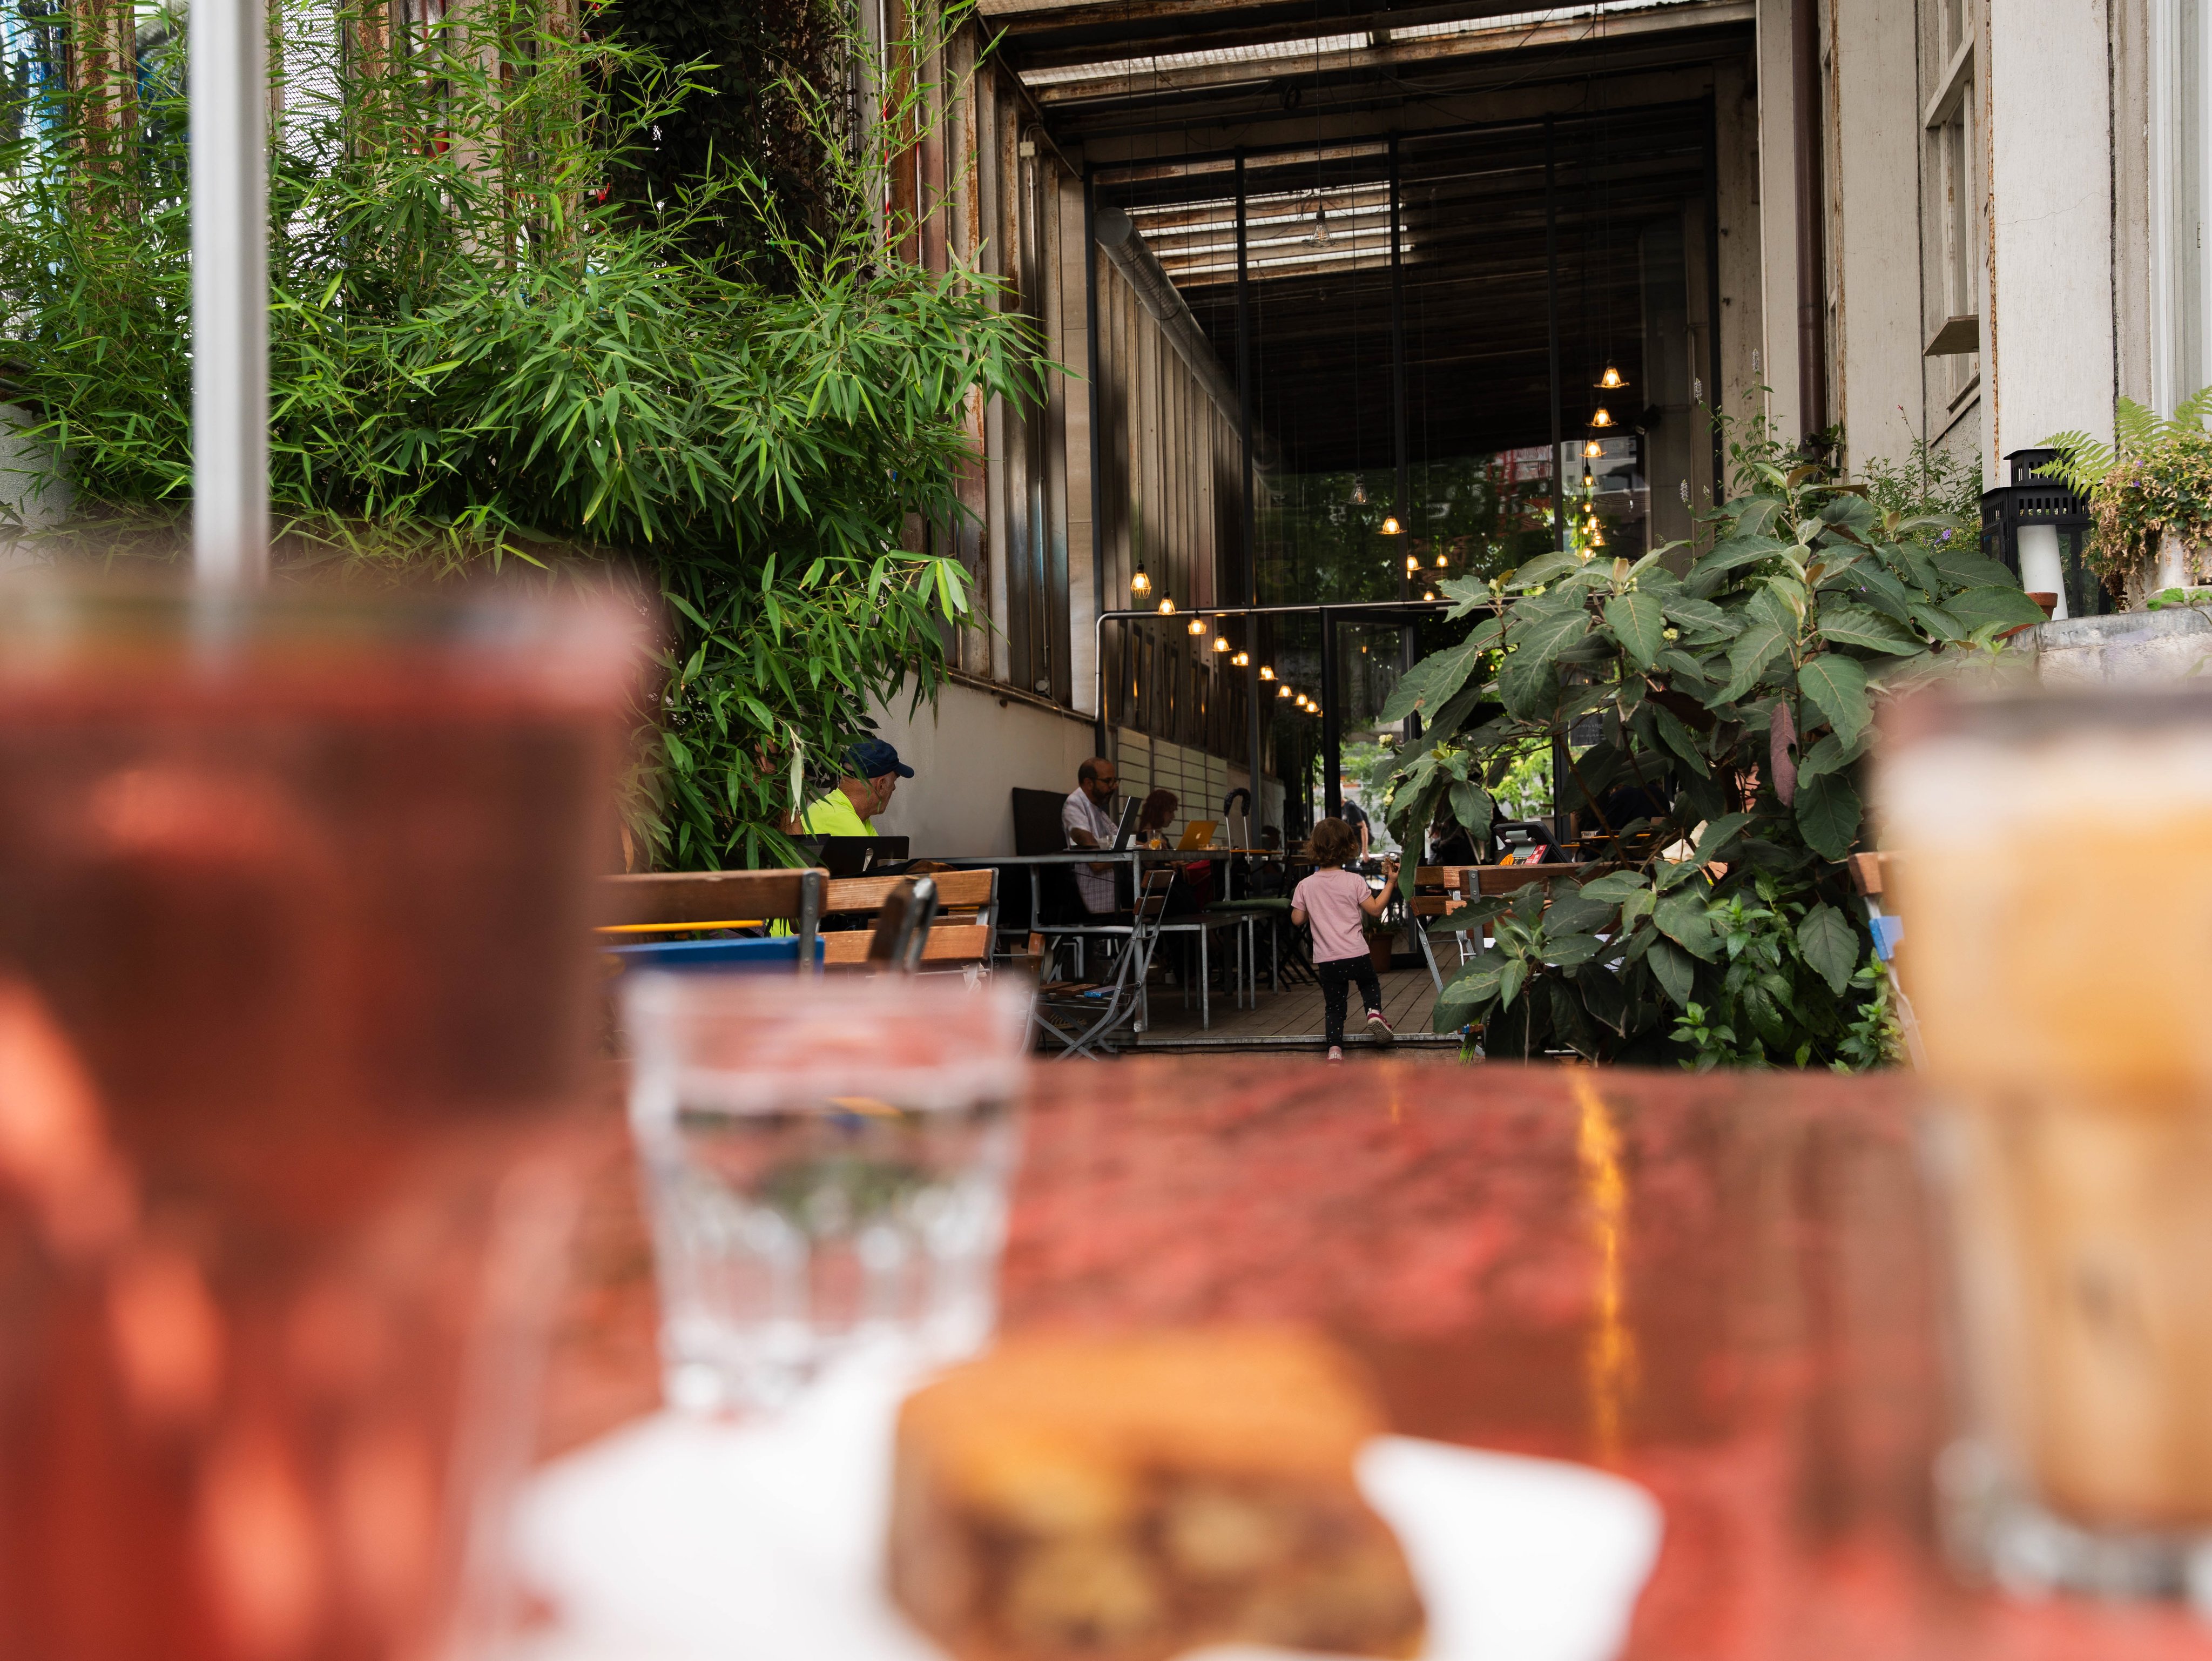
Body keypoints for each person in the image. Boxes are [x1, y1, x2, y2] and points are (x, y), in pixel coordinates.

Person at [1292, 816, 1397, 1062]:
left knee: (1334, 1007)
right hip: (1356, 953)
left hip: (1328, 960)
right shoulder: (1354, 881)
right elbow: (1375, 910)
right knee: (1368, 984)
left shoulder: (1306, 886)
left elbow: (1297, 919)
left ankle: (1335, 1051)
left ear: (1314, 848)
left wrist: (1311, 906)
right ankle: (1373, 1012)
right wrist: (1391, 882)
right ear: (1349, 847)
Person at [800, 737, 913, 836]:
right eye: (894, 781)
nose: (893, 788)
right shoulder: (840, 818)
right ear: (881, 785)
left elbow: (883, 855)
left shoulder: (854, 815)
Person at [1062, 757, 1123, 917]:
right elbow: (1097, 862)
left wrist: (1148, 846)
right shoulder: (1074, 805)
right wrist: (1129, 858)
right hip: (1091, 905)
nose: (1114, 787)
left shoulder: (1097, 810)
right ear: (1089, 783)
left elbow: (1120, 838)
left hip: (1110, 900)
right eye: (1108, 781)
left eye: (1115, 781)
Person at [1339, 796, 1373, 860]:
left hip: (1355, 844)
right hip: (1349, 844)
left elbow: (1363, 827)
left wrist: (1365, 851)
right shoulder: (1341, 809)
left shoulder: (1350, 806)